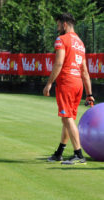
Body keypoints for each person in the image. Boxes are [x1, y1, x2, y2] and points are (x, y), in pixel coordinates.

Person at [43, 13, 95, 165]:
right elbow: (84, 70)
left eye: (58, 24)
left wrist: (49, 84)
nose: (57, 28)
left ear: (64, 24)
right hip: (78, 83)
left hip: (66, 82)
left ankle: (78, 154)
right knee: (68, 119)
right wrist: (89, 93)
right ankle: (59, 152)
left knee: (66, 118)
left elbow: (58, 64)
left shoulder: (61, 39)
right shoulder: (80, 43)